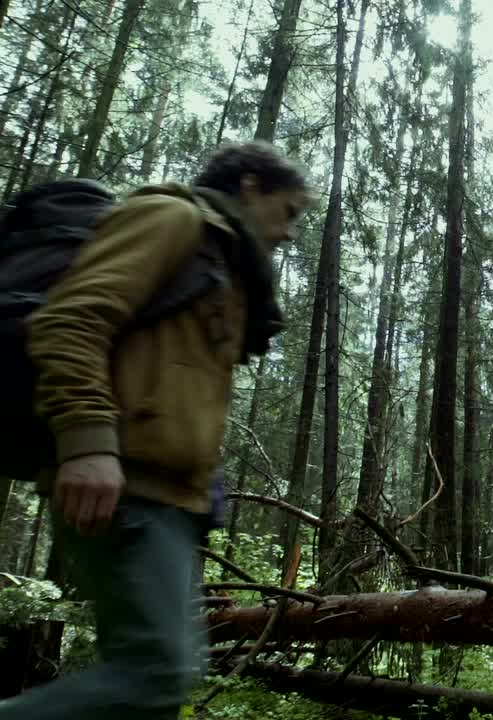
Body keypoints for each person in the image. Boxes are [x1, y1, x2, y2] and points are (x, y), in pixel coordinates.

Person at [0, 142, 310, 720]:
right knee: (156, 676)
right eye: (288, 211)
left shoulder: (222, 262)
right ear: (249, 185)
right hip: (121, 485)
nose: (290, 233)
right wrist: (87, 442)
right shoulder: (172, 217)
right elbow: (70, 322)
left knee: (153, 690)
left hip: (165, 498)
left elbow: (172, 389)